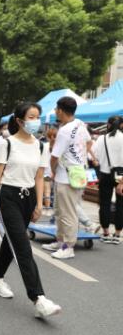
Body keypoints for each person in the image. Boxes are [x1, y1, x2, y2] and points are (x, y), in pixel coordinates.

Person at [0, 102, 61, 318]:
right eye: (31, 117)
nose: (36, 121)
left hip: (28, 199)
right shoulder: (7, 145)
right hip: (7, 197)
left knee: (11, 242)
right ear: (19, 120)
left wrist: (40, 204)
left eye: (38, 117)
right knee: (23, 245)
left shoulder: (42, 146)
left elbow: (39, 176)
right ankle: (39, 298)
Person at [42, 96, 92, 259]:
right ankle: (60, 241)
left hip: (66, 177)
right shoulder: (80, 125)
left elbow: (54, 156)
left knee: (67, 213)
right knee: (60, 210)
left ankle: (68, 246)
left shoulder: (64, 130)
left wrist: (53, 171)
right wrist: (80, 158)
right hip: (77, 174)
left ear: (61, 111)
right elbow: (89, 143)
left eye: (56, 109)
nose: (56, 112)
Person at [91, 115, 123, 244]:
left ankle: (105, 232)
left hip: (105, 173)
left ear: (108, 125)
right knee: (121, 204)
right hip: (121, 174)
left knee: (104, 203)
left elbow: (95, 157)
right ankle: (117, 234)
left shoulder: (101, 139)